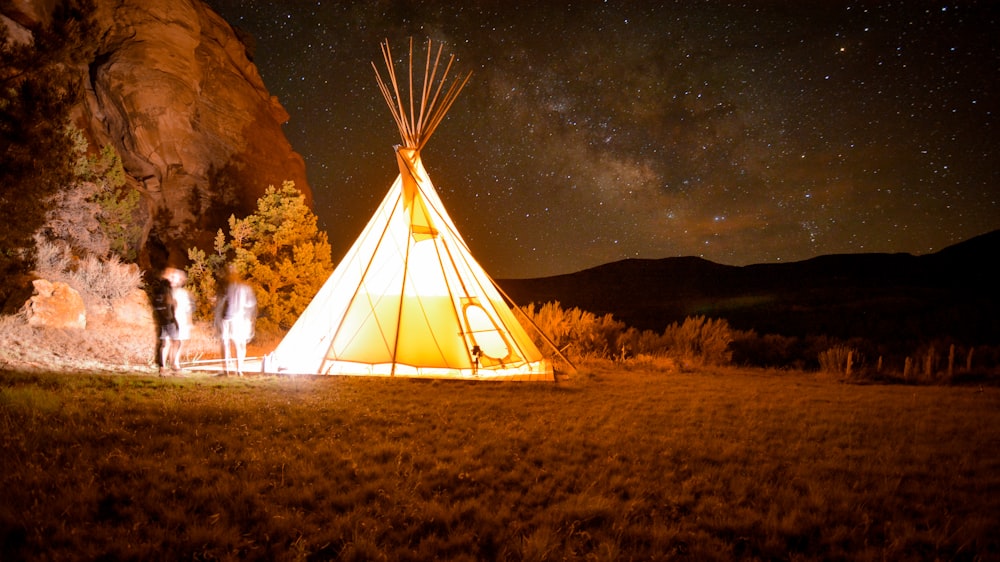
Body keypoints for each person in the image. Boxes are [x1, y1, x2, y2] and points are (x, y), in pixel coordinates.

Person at [216, 267, 257, 376]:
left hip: (234, 318)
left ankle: (235, 369)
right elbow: (250, 304)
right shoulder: (233, 288)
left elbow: (250, 304)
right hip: (232, 318)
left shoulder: (239, 288)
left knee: (233, 343)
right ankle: (232, 369)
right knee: (233, 343)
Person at [166, 268, 194, 372]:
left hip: (181, 320)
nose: (173, 280)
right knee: (169, 341)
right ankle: (169, 362)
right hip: (171, 320)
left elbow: (188, 309)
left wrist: (189, 322)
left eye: (176, 278)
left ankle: (175, 362)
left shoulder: (183, 293)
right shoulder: (168, 292)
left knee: (180, 341)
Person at [151, 270, 177, 375]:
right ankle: (173, 365)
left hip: (161, 321)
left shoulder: (156, 296)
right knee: (176, 342)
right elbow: (172, 307)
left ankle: (162, 367)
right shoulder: (167, 294)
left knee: (163, 344)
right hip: (169, 321)